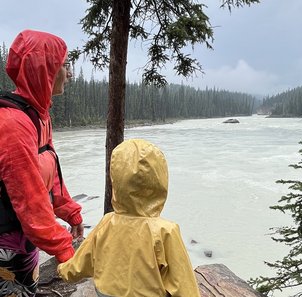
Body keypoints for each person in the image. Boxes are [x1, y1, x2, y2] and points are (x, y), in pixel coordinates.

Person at [58, 139, 201, 297]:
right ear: (160, 179)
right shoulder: (165, 231)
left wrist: (63, 270)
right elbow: (184, 287)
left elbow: (80, 263)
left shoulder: (106, 222)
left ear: (117, 180)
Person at [0, 30, 84, 296]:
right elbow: (29, 200)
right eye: (64, 65)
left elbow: (51, 170)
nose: (69, 73)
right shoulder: (13, 124)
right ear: (43, 69)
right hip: (6, 240)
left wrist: (69, 210)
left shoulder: (38, 115)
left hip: (24, 237)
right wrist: (63, 247)